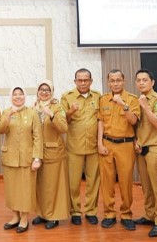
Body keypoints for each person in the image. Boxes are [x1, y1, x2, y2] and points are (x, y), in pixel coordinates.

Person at [98, 69, 140, 231]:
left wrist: (123, 104)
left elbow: (134, 120)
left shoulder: (132, 100)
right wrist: (100, 143)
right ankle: (109, 214)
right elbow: (100, 122)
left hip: (125, 145)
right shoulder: (103, 100)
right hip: (107, 144)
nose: (115, 83)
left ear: (124, 81)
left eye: (118, 80)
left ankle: (126, 214)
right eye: (112, 81)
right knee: (107, 181)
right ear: (108, 82)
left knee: (126, 181)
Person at [0, 86, 43, 233]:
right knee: (12, 189)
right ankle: (15, 216)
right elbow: (1, 129)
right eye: (15, 95)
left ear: (24, 96)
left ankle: (24, 218)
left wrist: (37, 158)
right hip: (10, 157)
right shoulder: (6, 112)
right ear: (11, 97)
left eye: (21, 94)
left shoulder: (32, 113)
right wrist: (8, 116)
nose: (18, 97)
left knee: (25, 189)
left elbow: (37, 136)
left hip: (27, 158)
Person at [60, 68, 101, 225]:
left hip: (93, 147)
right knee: (73, 182)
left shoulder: (98, 96)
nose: (83, 83)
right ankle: (75, 211)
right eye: (79, 80)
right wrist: (70, 111)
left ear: (91, 81)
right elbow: (62, 121)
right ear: (75, 81)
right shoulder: (67, 97)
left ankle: (91, 211)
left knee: (93, 181)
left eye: (86, 80)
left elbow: (101, 120)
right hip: (74, 146)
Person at [133, 69, 157, 238]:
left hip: (155, 148)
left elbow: (156, 123)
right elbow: (136, 125)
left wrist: (145, 106)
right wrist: (136, 141)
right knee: (146, 186)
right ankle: (150, 215)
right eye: (138, 80)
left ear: (152, 82)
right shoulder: (137, 100)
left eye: (145, 80)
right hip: (141, 149)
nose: (141, 83)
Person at [32, 80, 69, 230]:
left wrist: (52, 115)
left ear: (52, 92)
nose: (44, 92)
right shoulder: (34, 106)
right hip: (37, 153)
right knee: (40, 185)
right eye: (42, 89)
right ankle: (42, 213)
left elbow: (64, 128)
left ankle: (53, 216)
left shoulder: (57, 107)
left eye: (47, 90)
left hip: (53, 152)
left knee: (53, 186)